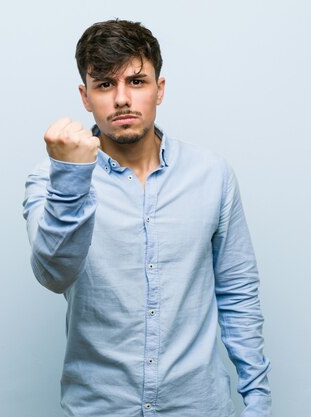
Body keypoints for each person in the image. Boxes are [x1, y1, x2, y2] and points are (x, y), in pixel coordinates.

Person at [23, 19, 272, 417]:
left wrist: (257, 402)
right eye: (105, 84)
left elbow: (238, 291)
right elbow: (54, 274)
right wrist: (70, 178)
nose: (122, 98)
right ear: (85, 97)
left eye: (136, 81)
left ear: (160, 89)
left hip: (199, 407)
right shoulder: (49, 177)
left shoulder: (212, 174)